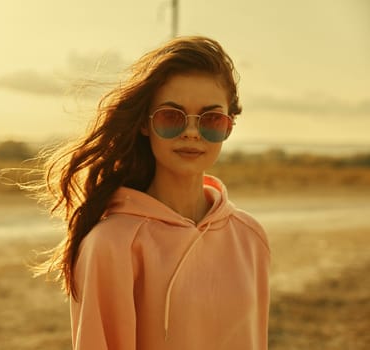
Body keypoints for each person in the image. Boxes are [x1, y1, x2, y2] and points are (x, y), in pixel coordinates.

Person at [35, 35, 270, 349]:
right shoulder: (111, 245)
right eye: (171, 116)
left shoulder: (250, 236)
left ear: (228, 126)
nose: (191, 132)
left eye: (210, 119)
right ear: (145, 124)